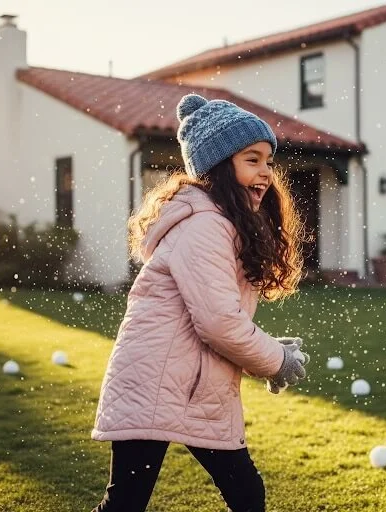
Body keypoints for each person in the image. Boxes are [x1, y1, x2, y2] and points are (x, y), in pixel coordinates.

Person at [90, 93, 310, 512]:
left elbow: (219, 316)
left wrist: (260, 347)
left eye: (268, 160)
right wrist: (274, 358)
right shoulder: (205, 225)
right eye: (252, 160)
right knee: (128, 503)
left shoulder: (221, 222)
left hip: (191, 385)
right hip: (155, 383)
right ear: (220, 166)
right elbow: (219, 322)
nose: (266, 172)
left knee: (244, 494)